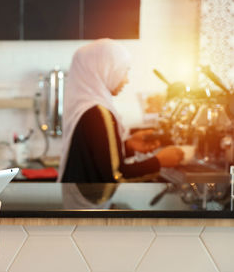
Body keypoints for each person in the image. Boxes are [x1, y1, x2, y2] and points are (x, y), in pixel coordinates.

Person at [57, 39, 184, 183]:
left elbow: (96, 159)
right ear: (106, 70)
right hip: (91, 203)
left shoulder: (86, 108)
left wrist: (128, 146)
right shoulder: (98, 114)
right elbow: (116, 176)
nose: (126, 80)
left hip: (79, 200)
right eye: (124, 72)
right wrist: (159, 161)